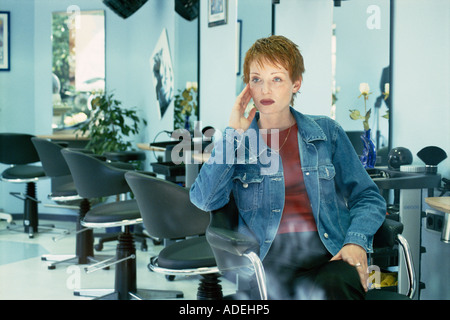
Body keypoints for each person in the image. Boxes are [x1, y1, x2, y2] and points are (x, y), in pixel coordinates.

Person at [190, 35, 386, 300]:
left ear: (296, 84)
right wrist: (234, 134)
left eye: (277, 79)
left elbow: (368, 196)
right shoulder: (237, 142)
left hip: (328, 254)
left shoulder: (327, 132)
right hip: (269, 261)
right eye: (256, 79)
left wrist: (355, 240)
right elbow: (204, 200)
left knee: (336, 286)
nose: (265, 90)